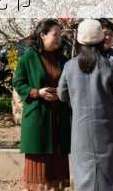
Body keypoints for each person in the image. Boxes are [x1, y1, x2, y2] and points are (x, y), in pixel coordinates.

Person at [57, 19, 113, 191]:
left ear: (79, 41)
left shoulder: (69, 67)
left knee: (84, 175)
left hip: (81, 129)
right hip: (108, 129)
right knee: (112, 176)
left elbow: (62, 94)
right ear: (100, 40)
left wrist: (77, 102)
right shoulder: (109, 66)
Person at [12, 19, 71, 191]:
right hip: (38, 118)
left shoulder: (63, 59)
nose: (59, 38)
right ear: (43, 35)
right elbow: (18, 82)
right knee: (39, 171)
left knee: (58, 166)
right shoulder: (28, 58)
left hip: (59, 116)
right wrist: (37, 92)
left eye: (60, 35)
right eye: (55, 34)